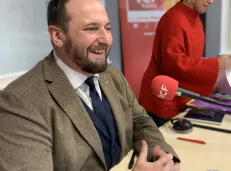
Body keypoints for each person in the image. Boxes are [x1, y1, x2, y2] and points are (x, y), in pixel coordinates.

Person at [0, 0, 180, 170]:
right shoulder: (19, 103)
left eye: (107, 28)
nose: (106, 39)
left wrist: (165, 158)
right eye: (92, 28)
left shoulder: (112, 75)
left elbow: (139, 121)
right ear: (57, 36)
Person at [139, 0, 231, 125]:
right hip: (163, 103)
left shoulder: (196, 20)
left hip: (183, 99)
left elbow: (191, 61)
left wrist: (216, 80)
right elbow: (174, 65)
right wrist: (215, 65)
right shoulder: (173, 19)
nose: (211, 1)